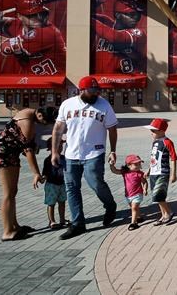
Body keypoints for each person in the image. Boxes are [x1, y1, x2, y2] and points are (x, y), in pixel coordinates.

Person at [52, 75, 118, 240]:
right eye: (92, 90)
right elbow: (58, 129)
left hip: (94, 152)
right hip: (71, 154)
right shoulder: (68, 105)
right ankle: (77, 224)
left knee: (96, 183)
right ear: (82, 90)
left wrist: (113, 150)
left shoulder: (104, 105)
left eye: (97, 90)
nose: (96, 93)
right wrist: (54, 152)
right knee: (72, 188)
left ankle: (110, 205)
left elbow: (112, 128)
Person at [0, 106, 57, 241]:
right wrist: (36, 173)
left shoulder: (28, 112)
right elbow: (28, 151)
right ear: (40, 116)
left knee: (12, 192)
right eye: (45, 123)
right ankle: (7, 231)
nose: (43, 126)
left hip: (10, 156)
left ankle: (14, 226)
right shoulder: (28, 123)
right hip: (4, 156)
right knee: (8, 194)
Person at [0, 0, 66, 76]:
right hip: (36, 80)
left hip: (59, 81)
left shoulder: (48, 33)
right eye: (32, 15)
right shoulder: (18, 25)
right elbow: (5, 22)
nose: (38, 18)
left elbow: (5, 47)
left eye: (41, 13)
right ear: (20, 16)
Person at [92, 0, 146, 74]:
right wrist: (92, 6)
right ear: (117, 15)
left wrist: (89, 20)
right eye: (131, 15)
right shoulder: (107, 24)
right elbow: (91, 16)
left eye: (138, 15)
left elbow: (116, 37)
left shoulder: (138, 33)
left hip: (127, 79)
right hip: (102, 78)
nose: (135, 18)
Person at [143, 118, 177, 225]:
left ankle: (169, 212)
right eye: (151, 131)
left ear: (161, 131)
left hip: (163, 172)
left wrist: (173, 174)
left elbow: (173, 158)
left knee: (159, 196)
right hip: (154, 172)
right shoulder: (155, 142)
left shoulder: (167, 142)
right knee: (156, 196)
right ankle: (163, 215)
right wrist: (149, 170)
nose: (151, 133)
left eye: (153, 131)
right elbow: (153, 157)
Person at [110, 154, 148, 231]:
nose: (138, 166)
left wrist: (145, 189)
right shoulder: (125, 172)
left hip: (138, 194)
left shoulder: (140, 173)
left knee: (134, 208)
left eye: (139, 164)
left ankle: (133, 223)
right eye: (136, 164)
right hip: (128, 194)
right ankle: (139, 217)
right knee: (134, 208)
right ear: (128, 165)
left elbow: (145, 182)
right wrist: (111, 165)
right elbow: (115, 171)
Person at [42, 137, 68, 230]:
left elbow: (67, 170)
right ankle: (52, 221)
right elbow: (45, 174)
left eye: (61, 145)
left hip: (62, 184)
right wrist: (42, 179)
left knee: (62, 202)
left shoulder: (64, 158)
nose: (61, 147)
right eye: (58, 145)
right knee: (51, 203)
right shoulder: (48, 160)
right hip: (51, 185)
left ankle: (62, 219)